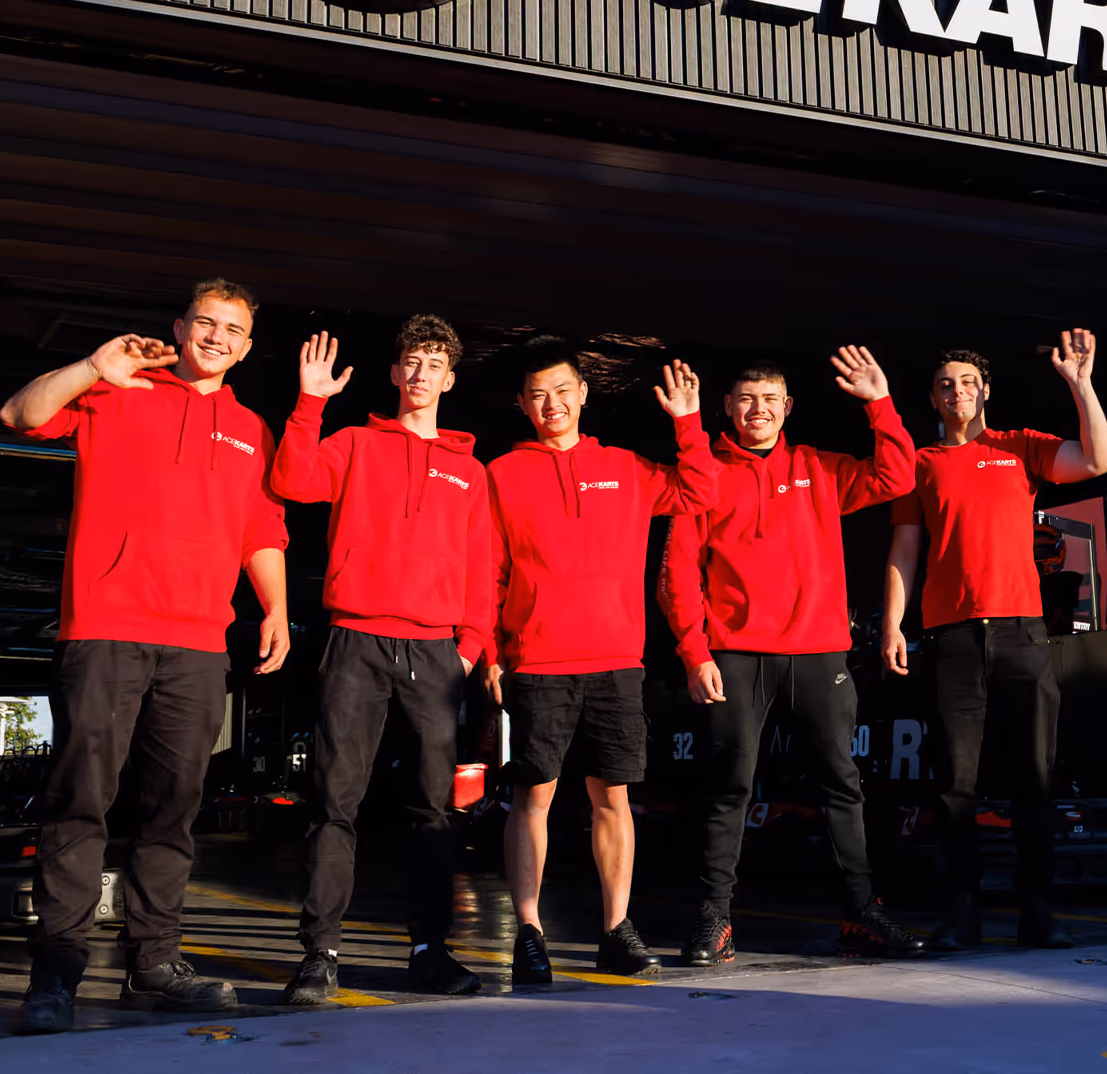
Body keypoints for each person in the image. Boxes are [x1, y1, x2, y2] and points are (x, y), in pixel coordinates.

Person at [0, 279, 289, 1035]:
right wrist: (93, 366)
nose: (217, 336)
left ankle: (153, 963)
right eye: (206, 322)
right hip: (104, 626)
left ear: (247, 345)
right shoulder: (119, 389)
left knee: (173, 811)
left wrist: (279, 609)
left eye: (233, 328)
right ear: (180, 326)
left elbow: (261, 528)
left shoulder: (251, 428)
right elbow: (19, 414)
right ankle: (56, 974)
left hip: (198, 641)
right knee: (80, 803)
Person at [657, 347, 924, 966]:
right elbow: (677, 574)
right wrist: (695, 653)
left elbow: (896, 478)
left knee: (842, 785)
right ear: (727, 407)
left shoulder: (819, 467)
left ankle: (861, 915)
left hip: (819, 651)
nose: (758, 410)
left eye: (771, 400)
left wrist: (879, 403)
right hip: (736, 655)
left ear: (788, 408)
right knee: (728, 789)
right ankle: (715, 922)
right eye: (747, 399)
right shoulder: (704, 474)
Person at [483, 336, 719, 985]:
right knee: (532, 797)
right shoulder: (502, 473)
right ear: (523, 405)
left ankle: (617, 930)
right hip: (536, 660)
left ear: (584, 394)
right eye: (538, 395)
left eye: (562, 391)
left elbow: (700, 489)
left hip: (616, 661)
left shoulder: (628, 467)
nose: (552, 404)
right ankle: (529, 934)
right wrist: (487, 650)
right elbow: (489, 569)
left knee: (612, 798)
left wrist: (688, 421)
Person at [271, 318, 491, 1006]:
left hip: (435, 650)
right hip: (356, 642)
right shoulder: (356, 442)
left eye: (435, 363)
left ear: (450, 378)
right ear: (395, 375)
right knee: (335, 802)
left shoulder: (469, 469)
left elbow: (484, 568)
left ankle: (430, 951)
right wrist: (310, 403)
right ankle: (320, 955)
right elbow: (293, 479)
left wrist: (469, 648)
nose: (422, 374)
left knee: (433, 811)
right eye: (411, 363)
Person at [881, 329, 1107, 952]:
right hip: (951, 637)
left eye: (966, 382)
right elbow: (905, 551)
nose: (955, 391)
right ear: (932, 400)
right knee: (954, 785)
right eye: (943, 385)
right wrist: (891, 625)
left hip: (1022, 634)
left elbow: (1099, 461)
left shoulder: (1018, 449)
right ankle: (962, 913)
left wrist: (1081, 384)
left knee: (1032, 780)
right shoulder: (918, 466)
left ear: (985, 391)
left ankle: (1037, 911)